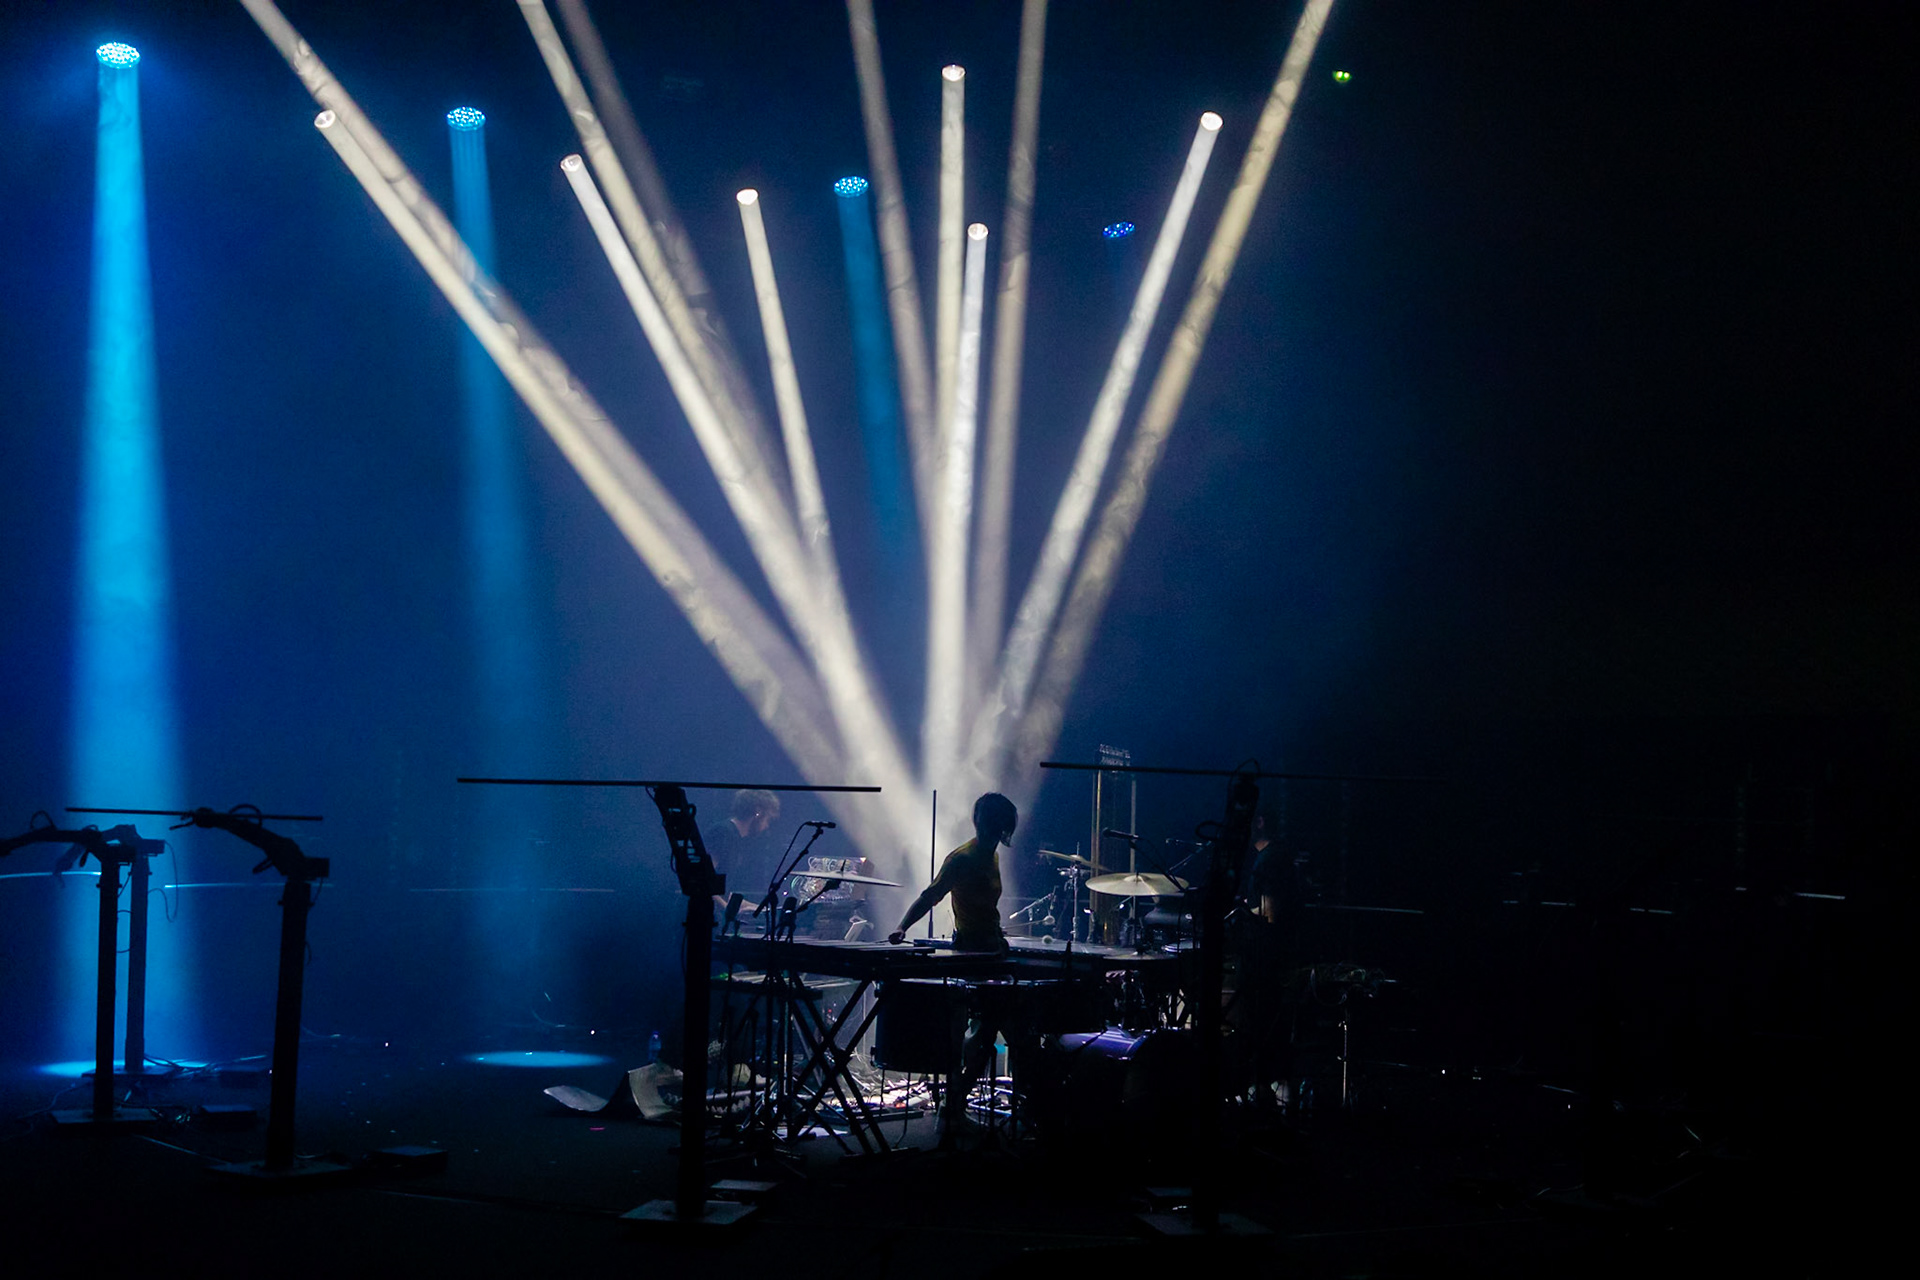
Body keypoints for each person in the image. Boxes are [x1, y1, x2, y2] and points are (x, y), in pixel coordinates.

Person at [887, 793, 1019, 1146]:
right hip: (973, 954)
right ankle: (951, 1111)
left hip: (993, 950)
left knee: (997, 1034)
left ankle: (953, 1109)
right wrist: (903, 926)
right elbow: (931, 895)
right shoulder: (961, 858)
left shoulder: (990, 854)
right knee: (985, 1034)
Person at [703, 788, 781, 916]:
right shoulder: (723, 833)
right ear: (758, 813)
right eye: (768, 819)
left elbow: (723, 892)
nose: (767, 826)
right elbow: (704, 880)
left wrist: (760, 909)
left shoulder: (735, 836)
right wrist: (728, 911)